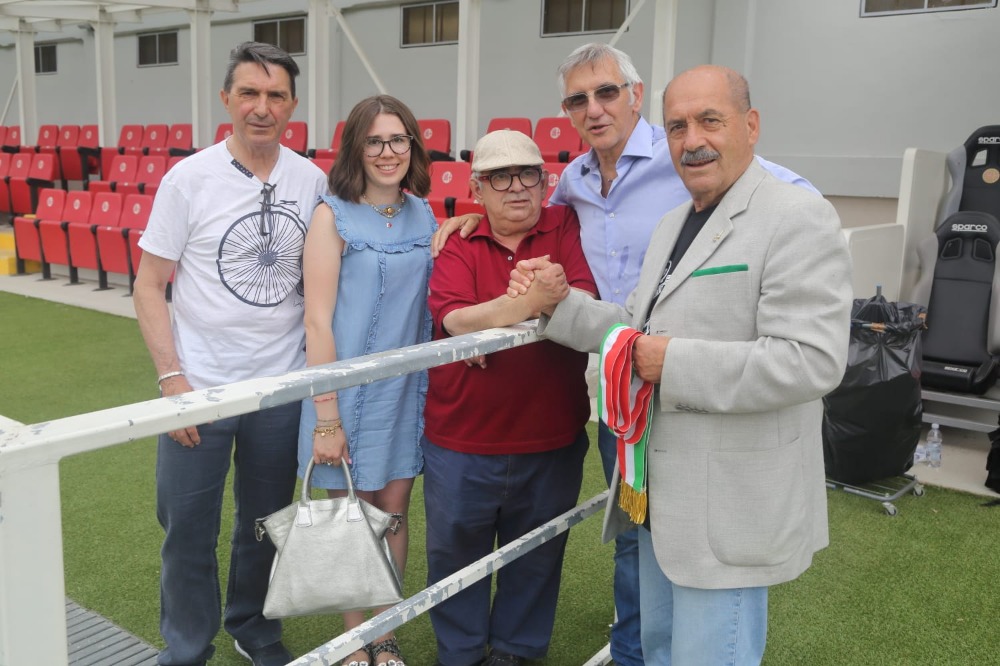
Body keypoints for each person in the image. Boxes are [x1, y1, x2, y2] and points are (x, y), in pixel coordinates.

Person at [432, 42, 820, 666]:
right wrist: (475, 225)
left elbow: (807, 350)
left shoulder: (766, 198)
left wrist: (668, 360)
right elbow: (621, 309)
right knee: (642, 549)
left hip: (715, 425)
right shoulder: (595, 193)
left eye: (607, 92)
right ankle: (634, 653)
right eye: (578, 98)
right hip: (629, 405)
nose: (692, 142)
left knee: (710, 611)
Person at [133, 42, 329, 666]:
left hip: (280, 389)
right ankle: (187, 647)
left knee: (265, 522)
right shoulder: (188, 179)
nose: (261, 108)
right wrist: (172, 380)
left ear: (292, 105)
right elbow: (148, 284)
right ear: (227, 99)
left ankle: (254, 628)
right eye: (249, 93)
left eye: (275, 95)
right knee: (187, 529)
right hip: (199, 389)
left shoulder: (312, 180)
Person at [424, 130, 597, 666]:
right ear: (477, 188)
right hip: (462, 437)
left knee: (538, 553)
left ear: (545, 182)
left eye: (528, 174)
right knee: (455, 553)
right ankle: (460, 653)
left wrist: (494, 317)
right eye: (500, 177)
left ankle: (516, 651)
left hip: (551, 432)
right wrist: (531, 302)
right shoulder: (457, 241)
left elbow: (584, 296)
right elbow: (455, 318)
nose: (517, 187)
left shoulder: (565, 224)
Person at [297, 94, 436, 666]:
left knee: (394, 511)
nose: (387, 152)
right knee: (350, 518)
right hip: (342, 393)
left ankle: (385, 633)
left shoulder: (424, 214)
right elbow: (317, 320)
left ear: (412, 146)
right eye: (374, 140)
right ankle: (353, 643)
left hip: (404, 391)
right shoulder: (330, 215)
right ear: (355, 147)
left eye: (397, 139)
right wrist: (326, 417)